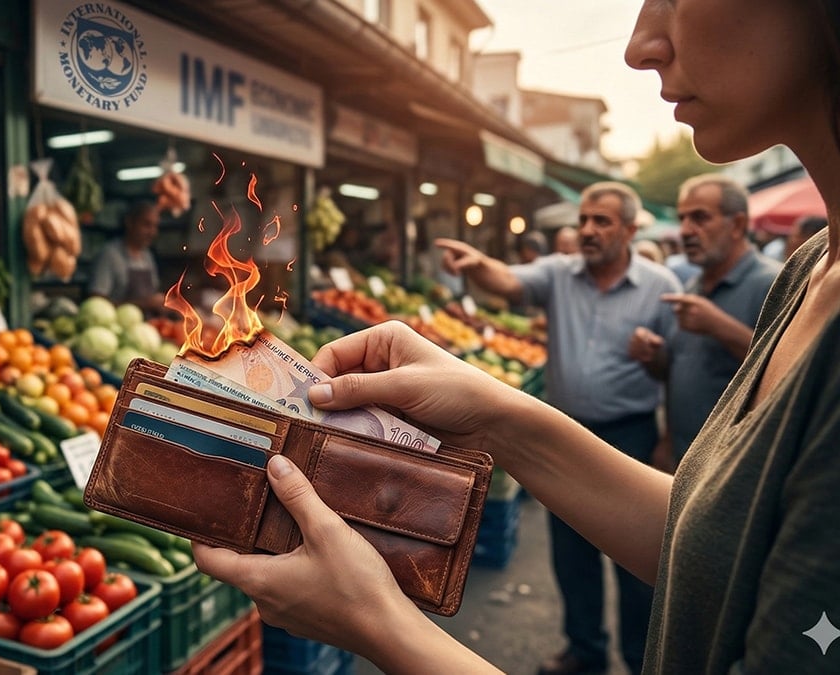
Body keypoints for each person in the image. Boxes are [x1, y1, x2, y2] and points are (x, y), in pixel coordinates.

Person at [192, 1, 840, 673]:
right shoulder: (808, 271)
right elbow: (718, 547)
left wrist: (380, 625)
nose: (641, 46)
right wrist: (496, 416)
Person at [443, 181, 679, 675]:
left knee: (635, 559)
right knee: (571, 553)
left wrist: (656, 361)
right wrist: (476, 264)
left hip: (630, 434)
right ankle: (585, 650)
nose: (588, 230)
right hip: (564, 429)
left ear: (631, 230)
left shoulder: (661, 286)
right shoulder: (558, 273)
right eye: (584, 220)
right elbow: (508, 281)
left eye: (602, 222)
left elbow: (674, 369)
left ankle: (641, 659)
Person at [629, 174, 781, 469]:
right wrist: (653, 356)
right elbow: (675, 372)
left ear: (737, 225)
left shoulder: (774, 283)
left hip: (738, 465)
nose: (685, 230)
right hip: (685, 459)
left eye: (700, 218)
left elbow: (789, 372)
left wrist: (720, 327)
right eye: (682, 218)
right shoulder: (692, 287)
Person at [86, 201, 164, 314]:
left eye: (155, 226)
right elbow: (96, 302)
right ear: (130, 223)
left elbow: (153, 294)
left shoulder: (147, 256)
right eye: (147, 225)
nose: (152, 232)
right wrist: (144, 304)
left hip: (146, 327)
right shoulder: (109, 255)